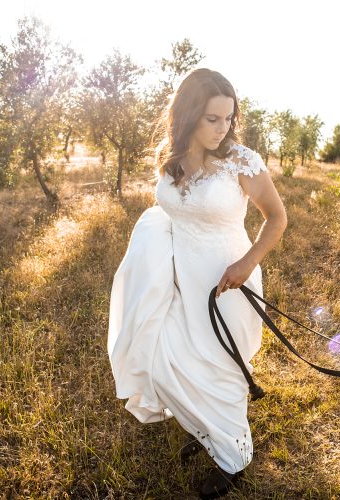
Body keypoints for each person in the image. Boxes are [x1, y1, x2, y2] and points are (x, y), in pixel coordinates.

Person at [107, 68, 287, 499]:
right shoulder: (171, 160)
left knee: (220, 367)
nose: (222, 128)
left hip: (228, 279)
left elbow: (277, 218)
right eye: (213, 119)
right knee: (168, 356)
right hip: (179, 275)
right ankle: (208, 430)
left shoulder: (240, 161)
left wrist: (247, 262)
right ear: (189, 115)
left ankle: (233, 458)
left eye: (228, 118)